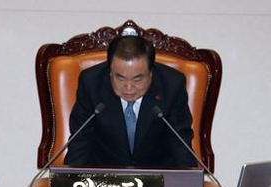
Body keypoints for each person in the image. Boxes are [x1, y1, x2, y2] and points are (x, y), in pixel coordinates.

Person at [64, 34, 196, 168]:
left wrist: (190, 183)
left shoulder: (171, 85)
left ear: (151, 73)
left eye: (138, 79)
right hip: (104, 176)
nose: (128, 87)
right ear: (110, 72)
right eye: (120, 78)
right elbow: (81, 140)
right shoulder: (91, 84)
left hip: (158, 176)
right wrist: (67, 182)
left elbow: (180, 142)